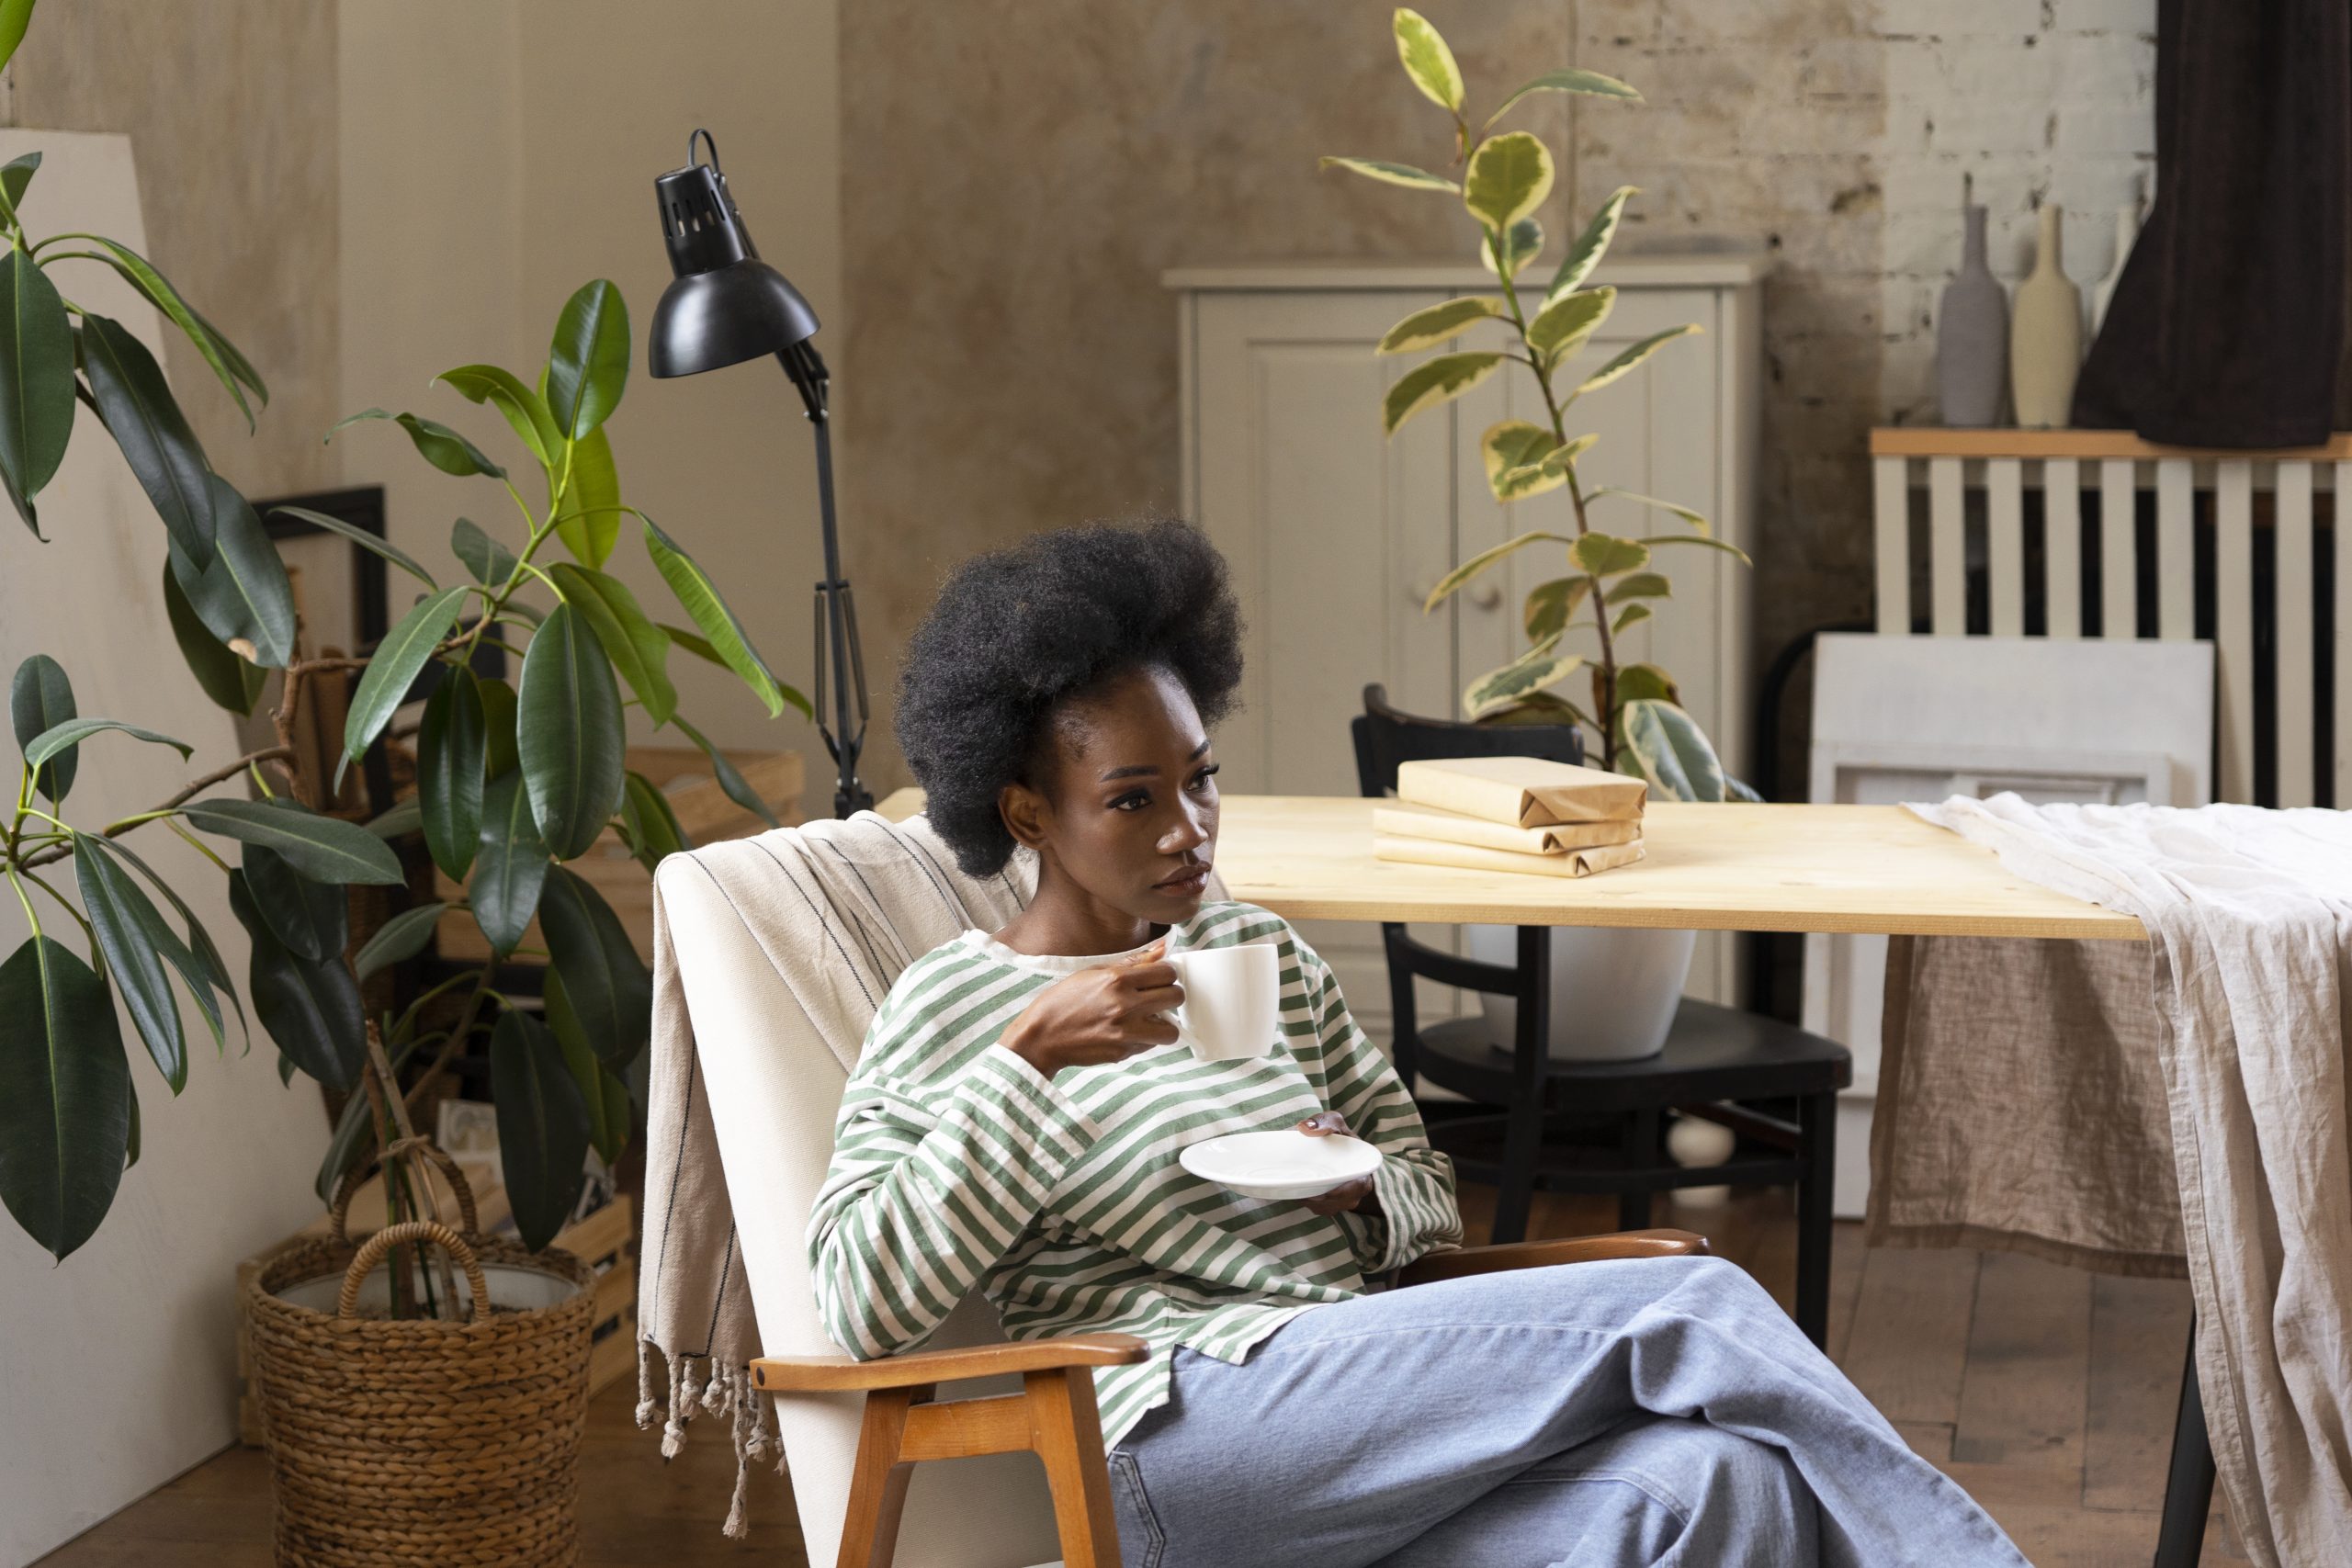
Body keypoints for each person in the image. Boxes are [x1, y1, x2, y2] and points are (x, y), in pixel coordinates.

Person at [808, 518, 2026, 1568]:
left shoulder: (1260, 953)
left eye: (1202, 779)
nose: (1190, 829)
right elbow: (859, 1301)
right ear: (1031, 814)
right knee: (1696, 1306)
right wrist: (1030, 1061)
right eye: (1134, 798)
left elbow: (1425, 1189)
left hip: (1360, 1420)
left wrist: (1360, 1194)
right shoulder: (963, 1004)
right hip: (1169, 1434)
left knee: (1715, 1489)